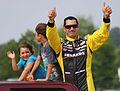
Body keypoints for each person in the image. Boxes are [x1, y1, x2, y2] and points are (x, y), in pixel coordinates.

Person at [46, 2, 112, 91]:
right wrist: (51, 21)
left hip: (87, 88)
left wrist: (106, 17)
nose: (72, 29)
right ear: (64, 29)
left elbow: (102, 35)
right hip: (69, 88)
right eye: (68, 27)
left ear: (78, 27)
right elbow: (51, 37)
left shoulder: (87, 42)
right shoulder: (60, 45)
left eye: (74, 26)